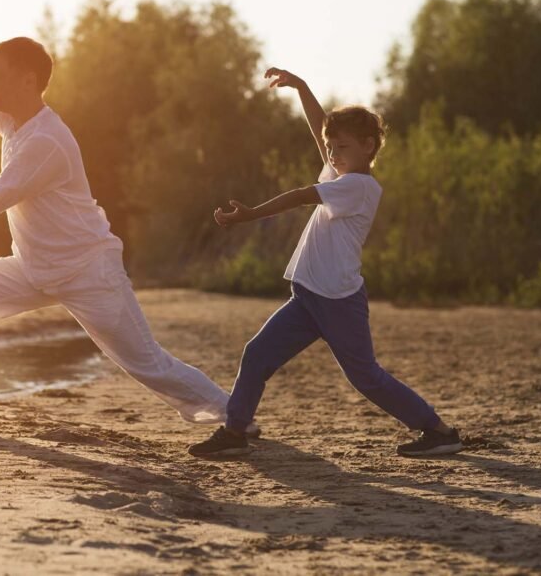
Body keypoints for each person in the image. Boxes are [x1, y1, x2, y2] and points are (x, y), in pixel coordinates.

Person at [0, 31, 231, 429]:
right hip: (34, 266)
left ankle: (235, 413)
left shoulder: (47, 140)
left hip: (88, 270)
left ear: (28, 80)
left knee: (149, 363)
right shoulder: (11, 119)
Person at [188, 67, 462, 458]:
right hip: (307, 298)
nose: (332, 153)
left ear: (369, 146)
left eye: (342, 147)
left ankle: (438, 430)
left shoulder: (358, 187)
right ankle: (234, 433)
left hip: (336, 300)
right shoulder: (340, 172)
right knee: (257, 355)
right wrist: (302, 87)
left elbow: (302, 195)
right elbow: (322, 128)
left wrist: (249, 215)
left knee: (366, 377)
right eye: (331, 147)